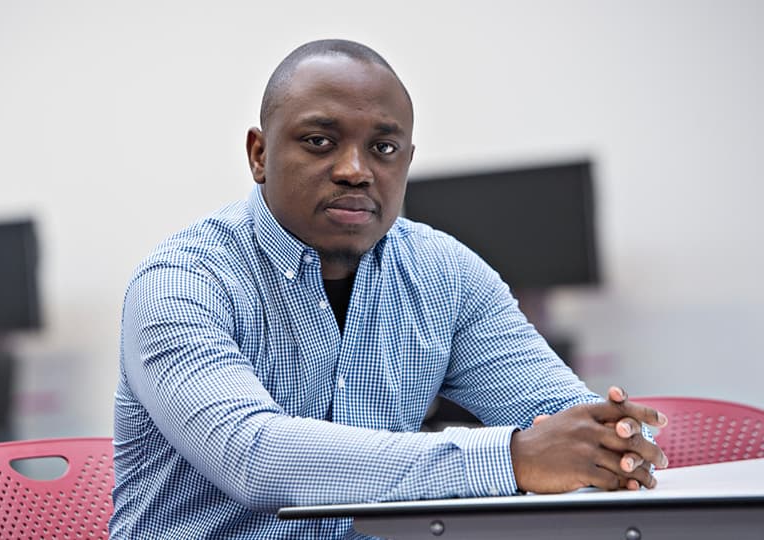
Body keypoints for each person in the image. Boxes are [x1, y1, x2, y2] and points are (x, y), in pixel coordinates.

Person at [110, 39, 668, 539]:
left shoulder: (444, 272)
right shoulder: (183, 281)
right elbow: (252, 455)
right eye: (320, 141)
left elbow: (559, 415)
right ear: (260, 154)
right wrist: (512, 458)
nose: (355, 170)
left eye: (383, 149)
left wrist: (606, 443)